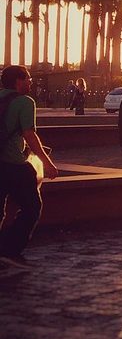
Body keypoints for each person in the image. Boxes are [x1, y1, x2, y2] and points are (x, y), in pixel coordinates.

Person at [0, 66, 59, 270]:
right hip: (14, 165)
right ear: (19, 80)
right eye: (28, 79)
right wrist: (47, 163)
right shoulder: (25, 102)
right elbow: (29, 135)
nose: (31, 82)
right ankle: (9, 250)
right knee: (32, 207)